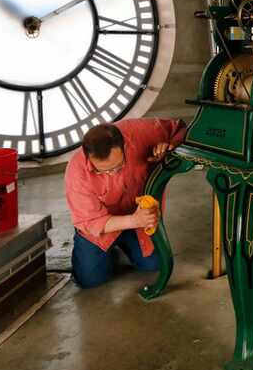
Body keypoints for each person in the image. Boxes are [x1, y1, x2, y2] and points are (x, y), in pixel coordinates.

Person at [65, 117, 187, 287]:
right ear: (87, 156)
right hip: (102, 227)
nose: (112, 173)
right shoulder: (76, 172)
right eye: (103, 171)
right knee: (90, 281)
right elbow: (91, 221)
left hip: (138, 218)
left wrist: (170, 148)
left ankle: (123, 244)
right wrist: (134, 220)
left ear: (124, 145)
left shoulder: (139, 132)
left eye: (117, 166)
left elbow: (180, 128)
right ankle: (107, 249)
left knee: (155, 264)